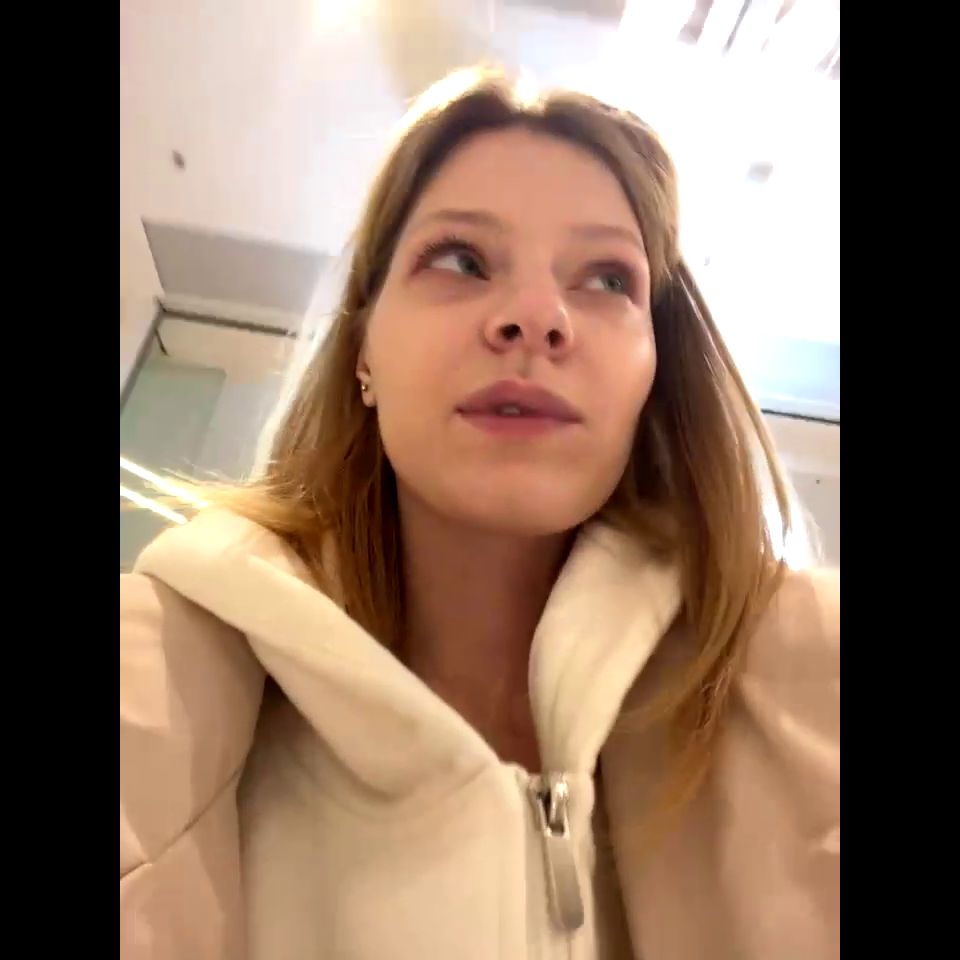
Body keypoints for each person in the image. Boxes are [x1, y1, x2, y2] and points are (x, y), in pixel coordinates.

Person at [119, 67, 839, 960]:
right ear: (363, 350)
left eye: (607, 278)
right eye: (460, 259)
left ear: (654, 372)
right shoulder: (160, 670)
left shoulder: (813, 683)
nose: (537, 317)